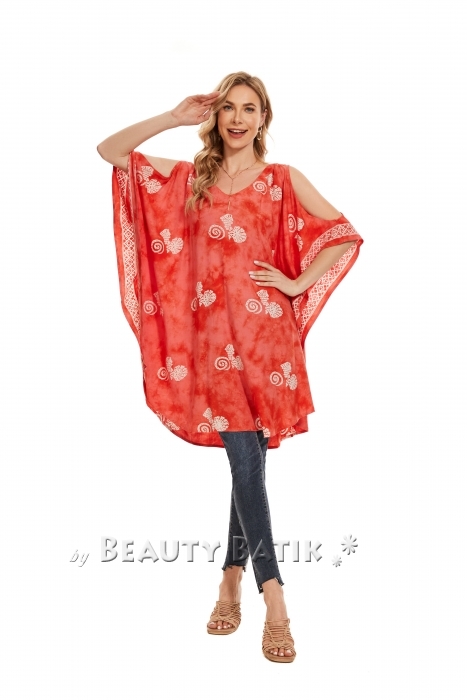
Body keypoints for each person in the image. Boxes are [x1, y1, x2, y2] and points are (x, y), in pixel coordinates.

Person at [97, 71, 363, 663]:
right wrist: (172, 117)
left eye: (249, 109)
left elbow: (343, 235)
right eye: (228, 109)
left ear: (264, 118)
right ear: (215, 118)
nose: (238, 119)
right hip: (213, 349)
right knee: (246, 462)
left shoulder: (283, 180)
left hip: (267, 345)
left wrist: (295, 282)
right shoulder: (190, 180)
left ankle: (230, 580)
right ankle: (276, 596)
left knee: (247, 468)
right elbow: (111, 151)